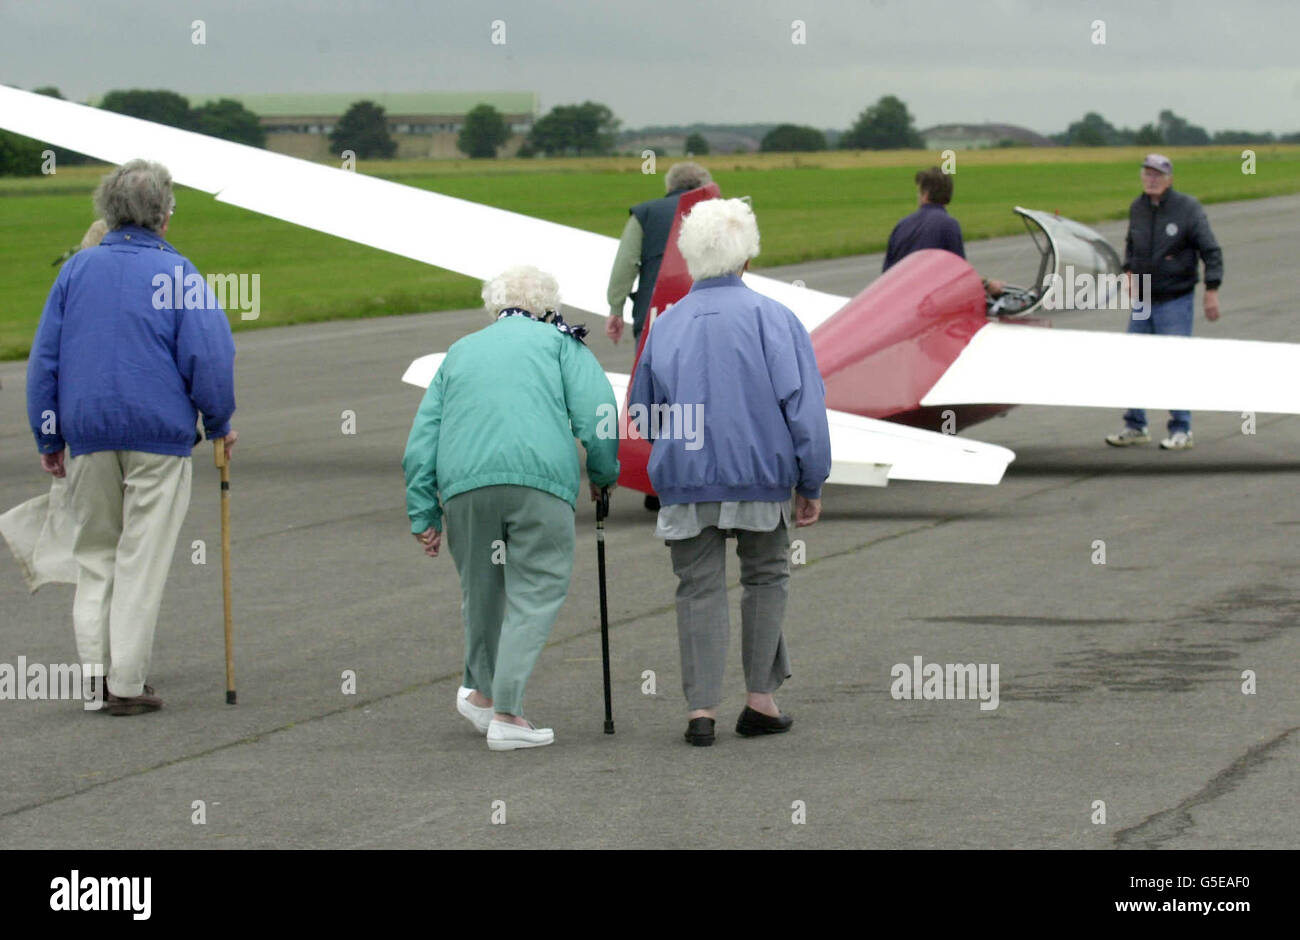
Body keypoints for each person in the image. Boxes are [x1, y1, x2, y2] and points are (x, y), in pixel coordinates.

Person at [26, 159, 238, 715]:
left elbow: (45, 359)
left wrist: (48, 437)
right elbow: (209, 357)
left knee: (95, 556)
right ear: (163, 217)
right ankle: (125, 683)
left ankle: (96, 678)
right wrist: (219, 423)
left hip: (87, 433)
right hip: (158, 437)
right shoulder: (180, 273)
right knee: (140, 560)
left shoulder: (75, 270)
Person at [628, 198, 831, 747]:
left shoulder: (665, 325)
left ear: (691, 259)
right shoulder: (776, 319)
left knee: (697, 590)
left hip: (685, 480)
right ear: (747, 259)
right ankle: (760, 701)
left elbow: (642, 413)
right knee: (765, 578)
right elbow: (805, 410)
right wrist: (811, 482)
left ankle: (701, 711)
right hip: (760, 475)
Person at [404, 265, 620, 751]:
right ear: (548, 306)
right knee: (537, 587)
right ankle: (506, 712)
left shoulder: (460, 351)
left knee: (482, 590)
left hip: (465, 486)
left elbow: (422, 442)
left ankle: (481, 694)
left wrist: (423, 512)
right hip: (540, 484)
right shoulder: (561, 344)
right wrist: (604, 476)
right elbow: (598, 412)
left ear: (494, 306)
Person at [1106, 154, 1224, 451]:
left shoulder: (1188, 209)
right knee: (1134, 360)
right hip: (1143, 298)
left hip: (1175, 298)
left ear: (1169, 178)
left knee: (1174, 363)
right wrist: (1129, 271)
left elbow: (1210, 250)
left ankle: (1182, 428)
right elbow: (1131, 245)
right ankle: (1136, 425)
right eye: (1147, 174)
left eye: (1157, 174)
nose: (1152, 179)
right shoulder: (1138, 207)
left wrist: (1212, 289)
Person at [882, 166, 1003, 295]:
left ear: (925, 194)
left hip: (897, 300)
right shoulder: (949, 225)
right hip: (926, 303)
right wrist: (988, 284)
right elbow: (959, 273)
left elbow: (886, 275)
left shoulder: (901, 225)